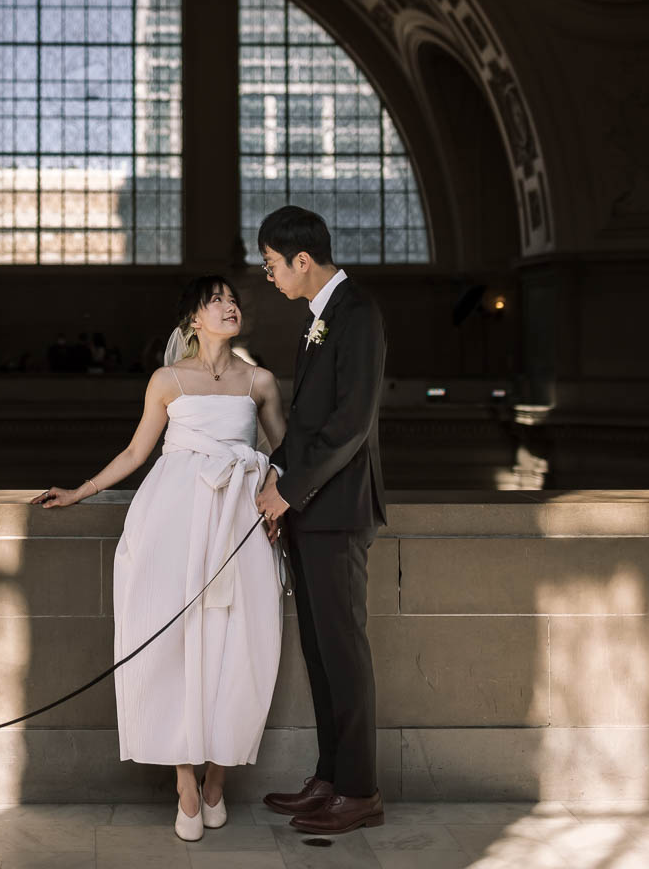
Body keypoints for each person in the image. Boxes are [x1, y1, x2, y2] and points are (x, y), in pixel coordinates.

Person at [33, 276, 286, 842]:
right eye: (217, 300)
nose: (230, 307)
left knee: (241, 642)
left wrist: (273, 483)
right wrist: (81, 490)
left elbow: (285, 452)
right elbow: (135, 451)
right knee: (172, 640)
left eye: (233, 300)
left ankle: (218, 778)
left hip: (239, 519)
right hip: (173, 518)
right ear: (193, 319)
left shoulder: (260, 381)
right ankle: (186, 785)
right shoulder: (167, 380)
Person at [252, 205, 390, 835]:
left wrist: (292, 489)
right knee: (318, 651)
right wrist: (277, 477)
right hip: (310, 510)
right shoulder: (319, 318)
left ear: (302, 259)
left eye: (272, 264)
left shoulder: (357, 314)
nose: (269, 277)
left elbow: (350, 425)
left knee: (343, 652)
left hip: (336, 513)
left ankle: (359, 792)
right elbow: (308, 425)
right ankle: (330, 778)